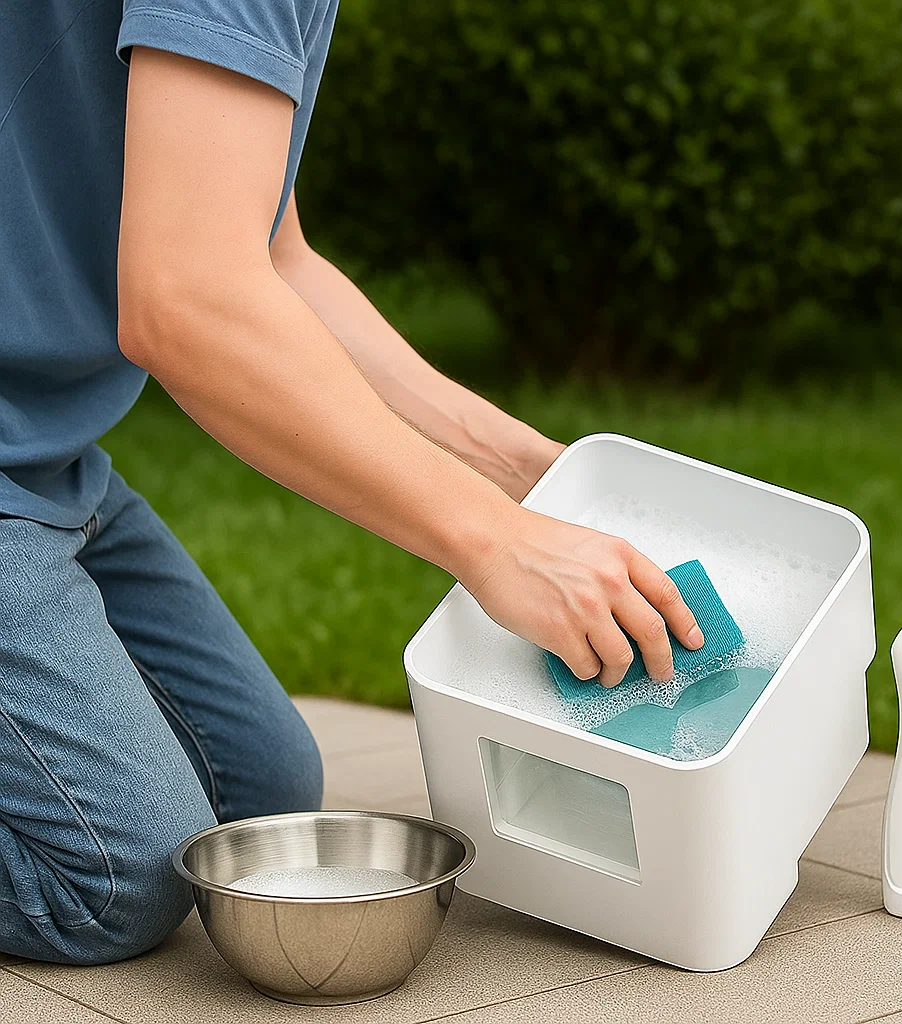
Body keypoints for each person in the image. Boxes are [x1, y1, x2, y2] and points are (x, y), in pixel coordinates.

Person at [0, 0, 705, 965]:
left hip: (42, 445)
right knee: (112, 875)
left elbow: (268, 260)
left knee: (255, 797)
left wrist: (526, 473)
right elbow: (187, 303)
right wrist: (494, 543)